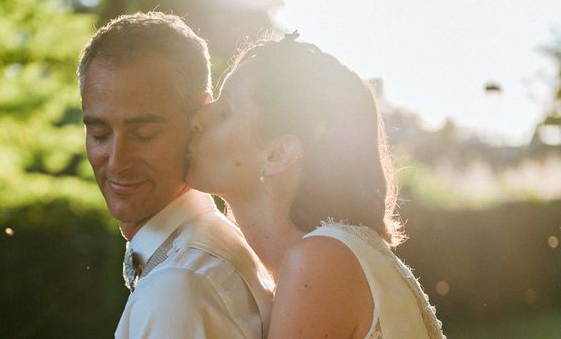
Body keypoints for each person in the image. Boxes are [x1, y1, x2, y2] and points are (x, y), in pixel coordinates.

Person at [187, 33, 446, 339]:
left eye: (225, 110)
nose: (199, 117)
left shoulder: (320, 263)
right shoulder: (333, 254)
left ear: (278, 154)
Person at [78, 12, 274, 339]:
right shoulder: (202, 253)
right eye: (99, 135)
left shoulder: (180, 286)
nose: (115, 163)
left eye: (144, 135)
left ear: (201, 118)